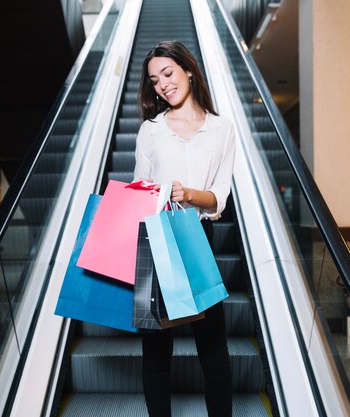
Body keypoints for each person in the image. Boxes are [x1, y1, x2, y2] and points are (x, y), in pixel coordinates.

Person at [133, 40, 236, 417]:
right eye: (154, 80)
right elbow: (139, 189)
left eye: (168, 73)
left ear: (188, 70)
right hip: (154, 239)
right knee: (156, 351)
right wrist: (152, 195)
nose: (162, 84)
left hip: (197, 239)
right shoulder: (151, 130)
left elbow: (219, 198)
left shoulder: (222, 130)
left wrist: (189, 193)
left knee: (213, 348)